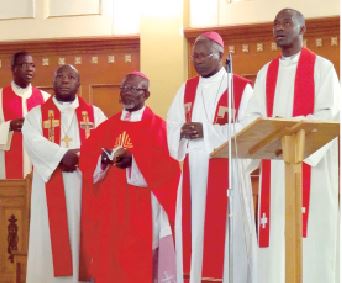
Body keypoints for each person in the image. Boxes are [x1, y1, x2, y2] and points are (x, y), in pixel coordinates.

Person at [242, 8, 340, 283]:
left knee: (313, 241)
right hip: (275, 168)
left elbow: (330, 114)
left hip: (312, 170)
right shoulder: (265, 73)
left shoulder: (322, 69)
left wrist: (286, 126)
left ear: (302, 29)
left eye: (286, 23)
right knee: (275, 237)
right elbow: (253, 117)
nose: (279, 28)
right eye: (275, 23)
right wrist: (273, 129)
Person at [167, 31, 257, 283]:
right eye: (194, 56)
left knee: (225, 235)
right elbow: (171, 126)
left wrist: (207, 131)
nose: (197, 60)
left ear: (219, 55)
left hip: (225, 175)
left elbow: (248, 130)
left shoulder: (240, 87)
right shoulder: (186, 88)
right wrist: (181, 132)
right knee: (194, 233)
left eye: (203, 55)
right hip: (193, 174)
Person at [78, 72, 181, 283]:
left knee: (138, 266)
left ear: (147, 94)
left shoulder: (159, 127)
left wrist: (134, 162)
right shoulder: (107, 126)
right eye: (125, 88)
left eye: (135, 89)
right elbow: (87, 159)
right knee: (109, 261)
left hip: (141, 210)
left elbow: (168, 170)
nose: (128, 93)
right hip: (111, 209)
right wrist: (104, 160)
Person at [22, 64, 106, 283]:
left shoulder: (94, 114)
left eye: (71, 77)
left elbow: (105, 142)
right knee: (50, 241)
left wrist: (78, 158)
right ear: (53, 82)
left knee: (83, 236)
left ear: (78, 83)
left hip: (83, 186)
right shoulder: (36, 115)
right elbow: (32, 141)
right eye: (60, 76)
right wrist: (60, 156)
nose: (65, 80)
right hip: (49, 186)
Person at [0, 51, 49, 179]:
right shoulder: (0, 97)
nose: (29, 70)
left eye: (32, 65)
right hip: (6, 172)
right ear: (13, 69)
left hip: (38, 172)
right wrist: (9, 126)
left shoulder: (45, 99)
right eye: (23, 65)